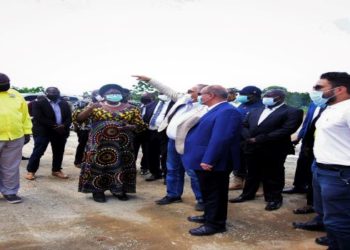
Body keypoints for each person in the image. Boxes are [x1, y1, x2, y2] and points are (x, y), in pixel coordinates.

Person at [132, 75, 206, 211]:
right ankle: (173, 195)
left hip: (189, 144)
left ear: (202, 93)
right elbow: (166, 90)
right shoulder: (183, 99)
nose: (188, 92)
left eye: (191, 91)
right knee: (172, 169)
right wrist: (149, 80)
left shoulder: (206, 107)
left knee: (193, 172)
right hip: (172, 141)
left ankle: (201, 199)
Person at [182, 85, 242, 236]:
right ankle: (208, 216)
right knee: (208, 191)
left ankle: (215, 224)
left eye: (201, 94)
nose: (199, 96)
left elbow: (221, 138)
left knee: (216, 193)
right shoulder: (215, 109)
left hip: (214, 162)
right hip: (204, 159)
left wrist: (209, 159)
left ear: (211, 95)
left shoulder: (227, 111)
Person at [230, 89, 303, 211]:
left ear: (279, 98)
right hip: (252, 147)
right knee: (251, 173)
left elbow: (287, 129)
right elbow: (244, 125)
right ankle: (247, 194)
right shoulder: (256, 110)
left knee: (273, 174)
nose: (266, 98)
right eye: (265, 96)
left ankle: (274, 199)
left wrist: (259, 139)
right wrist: (249, 138)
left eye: (269, 96)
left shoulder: (292, 111)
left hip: (274, 149)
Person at [76, 84, 146, 203]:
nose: (114, 95)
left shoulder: (132, 108)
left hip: (122, 143)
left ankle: (118, 189)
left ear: (122, 95)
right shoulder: (95, 106)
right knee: (97, 164)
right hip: (98, 143)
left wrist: (130, 126)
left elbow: (140, 125)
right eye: (110, 93)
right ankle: (97, 190)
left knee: (121, 164)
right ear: (103, 95)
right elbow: (79, 119)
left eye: (117, 93)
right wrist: (90, 108)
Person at [310, 72, 350, 250]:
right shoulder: (332, 107)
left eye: (319, 88)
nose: (314, 91)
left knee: (339, 221)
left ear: (339, 89)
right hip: (321, 168)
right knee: (328, 216)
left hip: (340, 173)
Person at [25, 87, 72, 180]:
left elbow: (69, 117)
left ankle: (56, 170)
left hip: (60, 132)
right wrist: (55, 126)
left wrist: (64, 126)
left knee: (59, 152)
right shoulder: (37, 103)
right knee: (38, 152)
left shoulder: (64, 103)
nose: (53, 94)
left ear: (59, 93)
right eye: (51, 92)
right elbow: (39, 117)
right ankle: (31, 171)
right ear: (46, 93)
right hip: (43, 132)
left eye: (56, 92)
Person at [0, 73, 32, 203]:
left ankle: (10, 192)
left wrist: (27, 132)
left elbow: (25, 115)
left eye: (7, 83)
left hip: (15, 137)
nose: (5, 86)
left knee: (11, 167)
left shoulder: (15, 94)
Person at [229, 86, 264, 190]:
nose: (240, 97)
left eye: (244, 95)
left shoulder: (262, 107)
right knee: (238, 160)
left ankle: (258, 185)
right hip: (239, 139)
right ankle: (238, 181)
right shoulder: (242, 105)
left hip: (253, 139)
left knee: (255, 164)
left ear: (253, 96)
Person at [142, 93, 174, 181]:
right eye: (160, 93)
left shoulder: (175, 104)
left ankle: (167, 176)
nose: (162, 94)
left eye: (163, 92)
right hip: (151, 131)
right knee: (150, 153)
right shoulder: (152, 104)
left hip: (165, 133)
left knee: (165, 154)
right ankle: (155, 173)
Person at [72, 90, 101, 168]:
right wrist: (90, 107)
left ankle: (94, 162)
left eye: (100, 94)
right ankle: (78, 161)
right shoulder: (81, 103)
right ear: (92, 95)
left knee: (98, 146)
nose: (98, 96)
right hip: (85, 129)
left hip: (100, 129)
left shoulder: (105, 104)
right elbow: (77, 117)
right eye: (96, 94)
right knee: (83, 145)